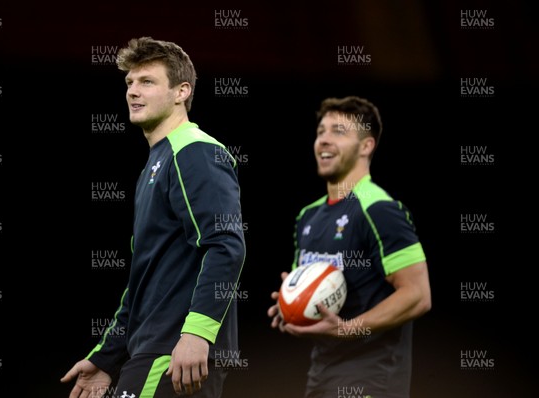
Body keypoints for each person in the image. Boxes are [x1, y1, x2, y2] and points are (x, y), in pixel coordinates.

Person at [61, 37, 246, 398]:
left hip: (175, 352)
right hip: (152, 349)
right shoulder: (156, 163)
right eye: (129, 82)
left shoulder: (195, 151)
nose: (133, 91)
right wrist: (107, 357)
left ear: (181, 91)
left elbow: (226, 246)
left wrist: (197, 334)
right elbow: (144, 276)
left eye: (147, 81)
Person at [267, 96, 431, 398]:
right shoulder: (308, 216)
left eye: (338, 131)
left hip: (372, 378)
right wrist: (291, 304)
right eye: (320, 131)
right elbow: (319, 291)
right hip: (320, 374)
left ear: (366, 146)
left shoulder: (379, 209)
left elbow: (418, 295)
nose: (324, 140)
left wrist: (347, 328)